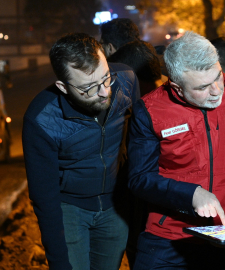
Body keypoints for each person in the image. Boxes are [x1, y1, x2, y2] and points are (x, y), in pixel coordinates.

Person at [128, 31, 225, 269]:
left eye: (218, 77)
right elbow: (139, 179)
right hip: (169, 237)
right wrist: (190, 194)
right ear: (177, 87)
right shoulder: (149, 110)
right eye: (203, 87)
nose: (216, 90)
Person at [22, 33, 140, 270]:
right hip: (70, 211)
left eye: (106, 78)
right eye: (88, 88)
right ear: (63, 87)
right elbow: (44, 196)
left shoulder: (126, 80)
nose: (105, 92)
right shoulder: (42, 119)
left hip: (116, 208)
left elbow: (140, 142)